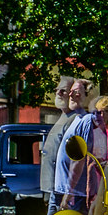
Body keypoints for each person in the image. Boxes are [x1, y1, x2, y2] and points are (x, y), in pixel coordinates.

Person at [48, 78, 95, 215]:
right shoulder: (76, 119)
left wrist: (69, 193)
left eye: (77, 93)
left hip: (73, 194)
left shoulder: (87, 120)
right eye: (71, 92)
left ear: (88, 97)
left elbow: (79, 159)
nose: (71, 95)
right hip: (62, 189)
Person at [39, 76, 75, 205]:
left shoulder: (73, 119)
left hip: (60, 186)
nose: (58, 93)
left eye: (63, 90)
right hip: (53, 185)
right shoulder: (63, 117)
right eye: (57, 89)